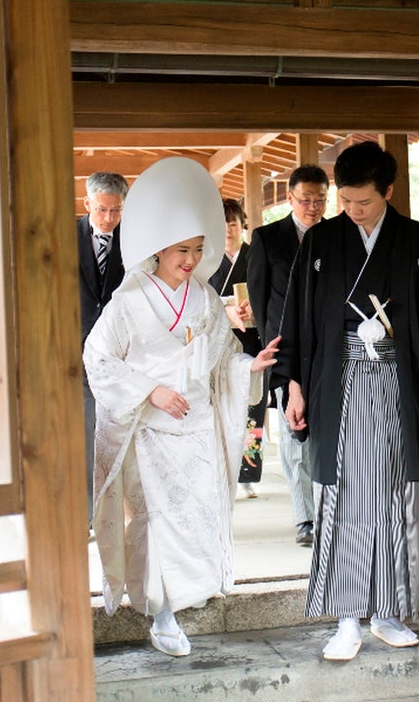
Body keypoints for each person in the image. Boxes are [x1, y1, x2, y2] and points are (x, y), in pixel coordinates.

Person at [274, 142, 419, 661]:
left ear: (388, 191)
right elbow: (299, 317)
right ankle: (346, 617)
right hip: (337, 386)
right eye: (345, 200)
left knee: (395, 498)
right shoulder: (320, 241)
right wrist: (293, 384)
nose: (350, 211)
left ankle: (388, 611)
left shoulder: (416, 240)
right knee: (342, 501)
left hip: (399, 386)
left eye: (362, 202)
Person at [84, 157, 280, 658]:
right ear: (158, 249)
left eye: (197, 249)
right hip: (150, 429)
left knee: (195, 514)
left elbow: (223, 358)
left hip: (194, 429)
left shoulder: (206, 300)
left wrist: (246, 369)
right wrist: (150, 390)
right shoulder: (128, 302)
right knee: (158, 519)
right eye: (180, 251)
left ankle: (182, 599)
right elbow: (98, 356)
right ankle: (162, 611)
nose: (190, 260)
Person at [247, 164, 330, 546]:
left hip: (329, 349)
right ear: (289, 199)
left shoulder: (337, 235)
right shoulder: (267, 238)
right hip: (286, 349)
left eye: (319, 200)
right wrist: (271, 347)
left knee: (326, 433)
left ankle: (331, 508)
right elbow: (261, 297)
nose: (312, 207)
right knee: (295, 434)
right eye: (305, 200)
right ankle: (306, 518)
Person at [78, 171, 128, 523]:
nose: (109, 218)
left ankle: (119, 513)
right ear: (87, 204)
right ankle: (85, 514)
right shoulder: (65, 234)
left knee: (119, 434)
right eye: (101, 210)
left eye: (116, 210)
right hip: (75, 350)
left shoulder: (135, 239)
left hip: (121, 353)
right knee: (83, 433)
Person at [208, 198, 264, 498]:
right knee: (221, 406)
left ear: (242, 224)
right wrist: (227, 307)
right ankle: (221, 469)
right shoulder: (208, 258)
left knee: (252, 408)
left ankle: (248, 474)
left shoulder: (256, 254)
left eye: (232, 223)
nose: (228, 229)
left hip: (253, 338)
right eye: (222, 223)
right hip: (221, 341)